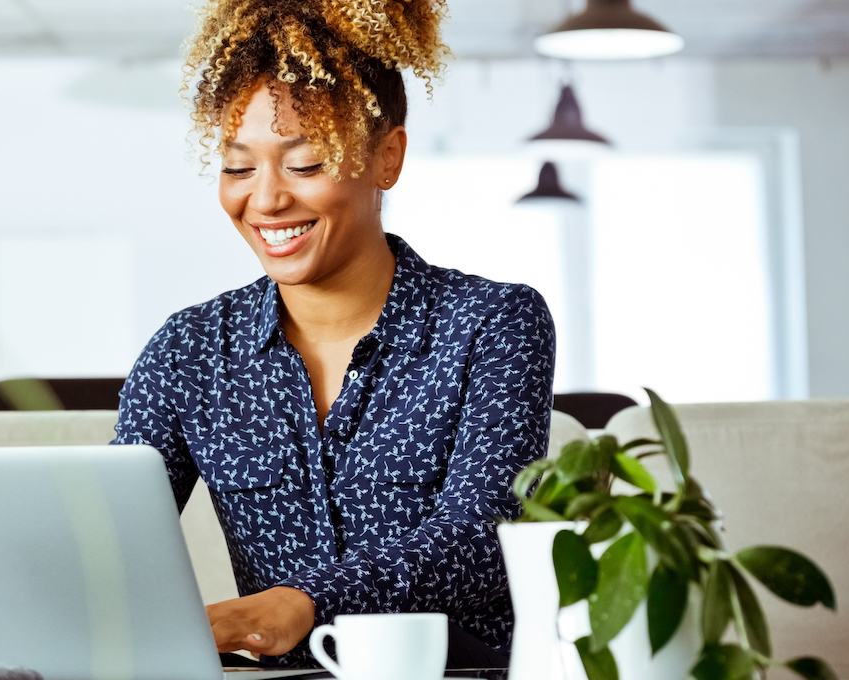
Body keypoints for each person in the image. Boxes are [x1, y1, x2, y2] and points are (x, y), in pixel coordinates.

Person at [113, 0, 556, 668]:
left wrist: (304, 600)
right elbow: (111, 546)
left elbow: (487, 539)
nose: (264, 200)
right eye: (238, 168)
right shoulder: (189, 352)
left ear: (388, 158)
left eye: (307, 164)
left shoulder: (493, 324)